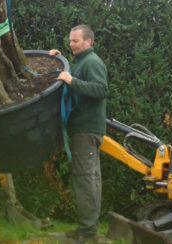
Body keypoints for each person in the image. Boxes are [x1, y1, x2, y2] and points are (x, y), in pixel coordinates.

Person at [49, 24, 108, 244]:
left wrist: (71, 80)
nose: (71, 44)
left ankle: (88, 233)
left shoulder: (92, 62)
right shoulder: (83, 61)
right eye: (71, 40)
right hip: (82, 129)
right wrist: (60, 60)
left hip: (86, 130)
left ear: (88, 42)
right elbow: (77, 76)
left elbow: (101, 89)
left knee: (86, 180)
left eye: (76, 41)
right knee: (90, 179)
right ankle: (87, 228)